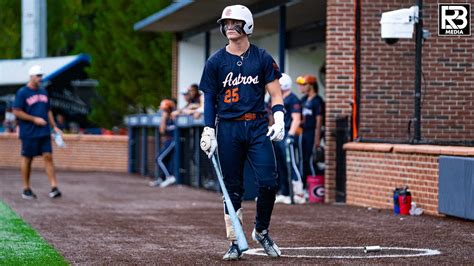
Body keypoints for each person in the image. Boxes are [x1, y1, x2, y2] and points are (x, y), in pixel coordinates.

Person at [199, 5, 284, 260]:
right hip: (228, 127)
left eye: (235, 22)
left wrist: (279, 118)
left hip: (257, 125)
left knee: (269, 181)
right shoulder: (215, 61)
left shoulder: (262, 57)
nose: (229, 27)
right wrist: (208, 130)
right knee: (231, 187)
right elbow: (209, 100)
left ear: (247, 25)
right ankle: (235, 241)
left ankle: (262, 229)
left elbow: (276, 93)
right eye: (226, 23)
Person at [12, 65, 62, 199]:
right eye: (38, 76)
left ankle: (54, 187)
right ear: (31, 77)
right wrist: (34, 119)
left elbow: (48, 110)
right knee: (28, 159)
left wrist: (54, 126)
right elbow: (16, 111)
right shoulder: (22, 92)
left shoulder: (44, 92)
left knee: (48, 157)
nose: (40, 78)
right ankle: (26, 188)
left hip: (44, 132)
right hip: (29, 132)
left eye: (41, 76)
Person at [272, 73, 305, 205]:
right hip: (279, 133)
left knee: (291, 163)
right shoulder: (277, 98)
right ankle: (285, 192)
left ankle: (299, 192)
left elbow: (296, 119)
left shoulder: (293, 99)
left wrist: (290, 135)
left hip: (287, 133)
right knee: (280, 164)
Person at [296, 74, 325, 188]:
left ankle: (313, 187)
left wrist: (317, 139)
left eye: (304, 85)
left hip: (312, 133)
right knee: (302, 159)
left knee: (310, 160)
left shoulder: (317, 101)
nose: (301, 87)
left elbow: (319, 122)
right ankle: (303, 185)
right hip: (302, 133)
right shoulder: (302, 100)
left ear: (311, 85)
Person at [149, 99, 177, 188]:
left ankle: (169, 177)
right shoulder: (166, 118)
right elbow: (162, 131)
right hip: (168, 141)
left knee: (159, 158)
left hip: (173, 141)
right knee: (163, 159)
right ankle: (162, 178)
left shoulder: (174, 116)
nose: (162, 111)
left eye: (164, 109)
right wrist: (163, 118)